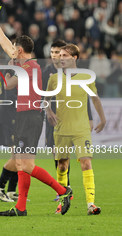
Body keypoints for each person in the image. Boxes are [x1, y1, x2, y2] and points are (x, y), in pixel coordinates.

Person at [0, 14, 72, 217]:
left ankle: (63, 191)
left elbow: (7, 84)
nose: (12, 50)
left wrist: (7, 71)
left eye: (15, 48)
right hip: (25, 115)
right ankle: (20, 208)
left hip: (30, 117)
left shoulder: (29, 67)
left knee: (26, 164)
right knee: (19, 163)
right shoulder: (26, 64)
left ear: (20, 50)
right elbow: (8, 46)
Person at [45, 44, 106, 215]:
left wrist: (103, 118)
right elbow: (45, 99)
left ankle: (91, 204)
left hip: (81, 129)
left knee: (86, 163)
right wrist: (48, 110)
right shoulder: (54, 79)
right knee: (63, 166)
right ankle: (63, 200)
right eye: (60, 55)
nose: (61, 58)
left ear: (75, 58)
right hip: (61, 129)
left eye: (65, 55)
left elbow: (95, 99)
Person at [0, 60, 20, 203]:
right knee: (17, 157)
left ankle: (11, 191)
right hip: (10, 119)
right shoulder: (12, 73)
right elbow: (9, 99)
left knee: (18, 156)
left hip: (8, 118)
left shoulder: (10, 72)